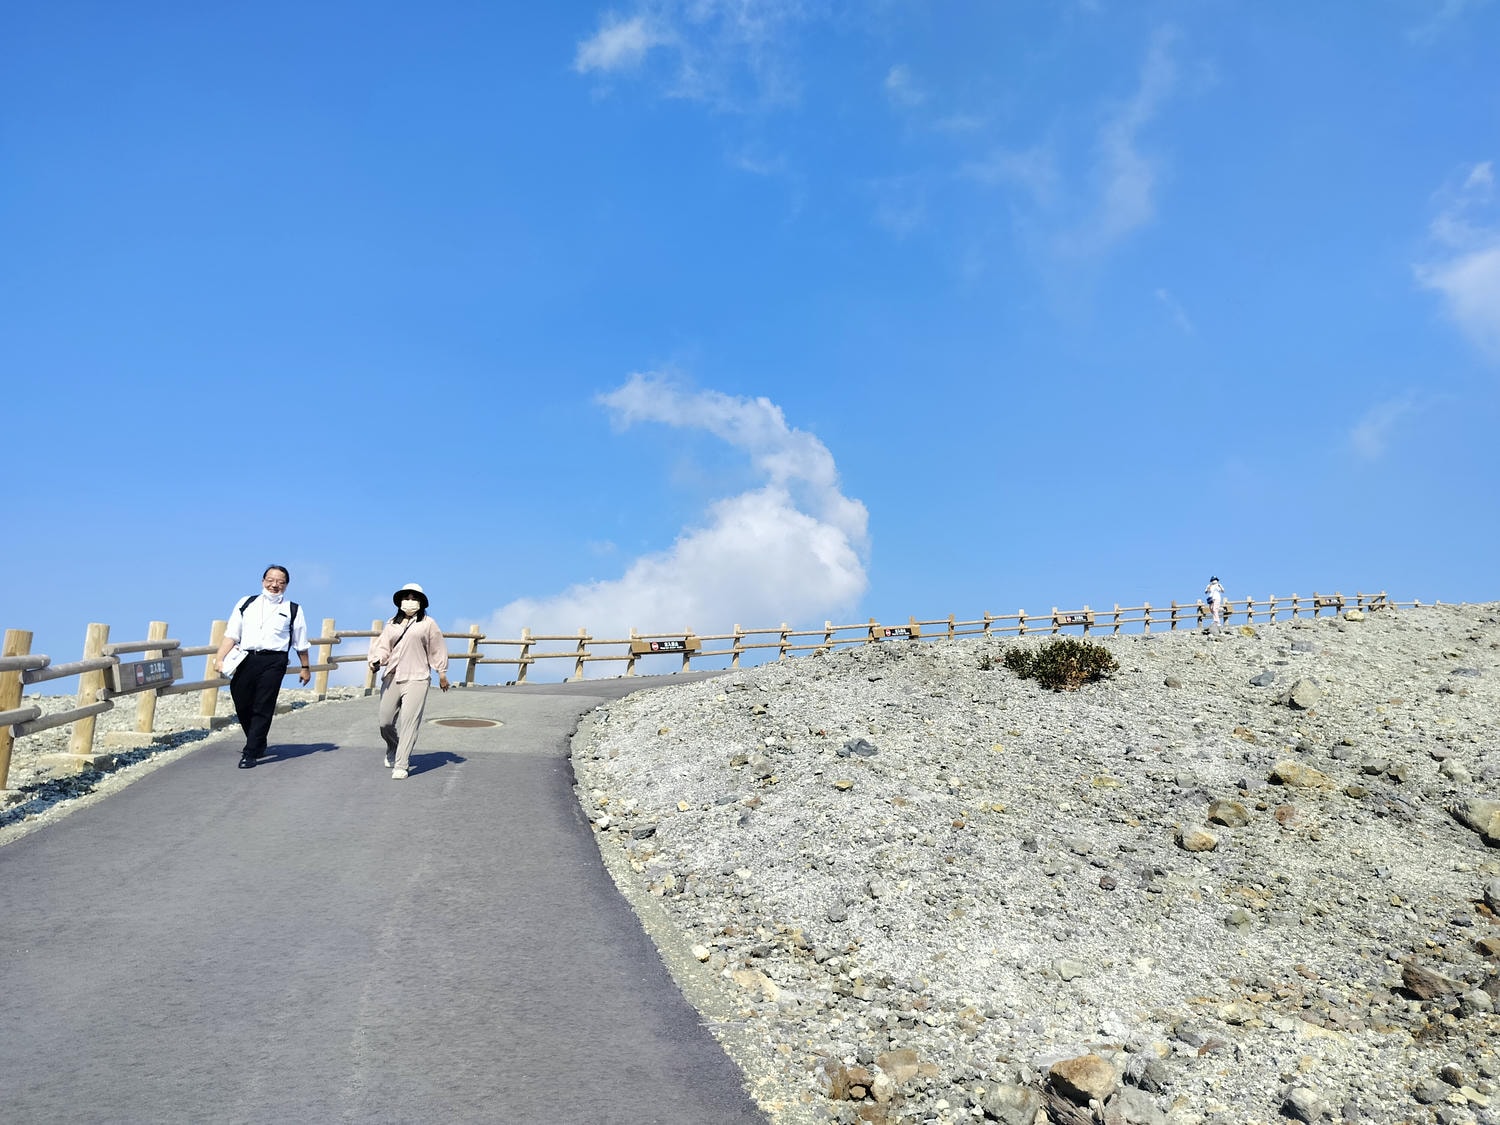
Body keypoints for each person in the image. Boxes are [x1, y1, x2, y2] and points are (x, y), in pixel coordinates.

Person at [212, 565, 311, 769]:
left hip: (275, 660)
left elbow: (300, 642)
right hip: (246, 657)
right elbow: (232, 634)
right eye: (270, 580)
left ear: (286, 585)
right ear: (263, 581)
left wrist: (305, 667)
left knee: (263, 704)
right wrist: (219, 658)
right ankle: (257, 739)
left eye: (280, 582)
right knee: (241, 699)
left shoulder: (293, 609)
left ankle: (251, 752)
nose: (274, 585)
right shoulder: (246, 603)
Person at [368, 583, 450, 780]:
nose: (410, 602)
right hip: (392, 675)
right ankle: (393, 747)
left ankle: (401, 763)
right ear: (400, 601)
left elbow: (437, 648)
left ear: (421, 603)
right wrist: (377, 660)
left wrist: (442, 672)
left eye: (414, 599)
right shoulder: (392, 623)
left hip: (418, 676)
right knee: (385, 721)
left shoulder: (428, 623)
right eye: (407, 598)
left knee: (409, 721)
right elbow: (383, 646)